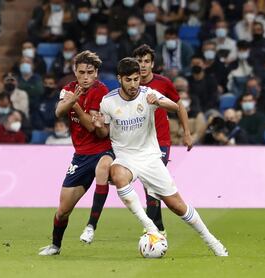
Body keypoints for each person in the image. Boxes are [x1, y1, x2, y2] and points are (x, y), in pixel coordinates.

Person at [92, 57, 228, 256]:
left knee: (177, 206)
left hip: (149, 157)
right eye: (128, 80)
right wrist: (98, 127)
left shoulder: (148, 94)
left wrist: (159, 102)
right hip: (125, 157)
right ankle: (151, 227)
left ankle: (212, 241)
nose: (133, 84)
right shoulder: (108, 101)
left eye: (136, 79)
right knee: (117, 173)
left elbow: (176, 107)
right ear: (119, 79)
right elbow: (103, 133)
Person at [83, 44, 192, 239]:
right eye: (139, 61)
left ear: (152, 64)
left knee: (152, 188)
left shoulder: (162, 83)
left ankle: (154, 230)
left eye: (146, 61)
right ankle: (156, 227)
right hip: (131, 146)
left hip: (160, 141)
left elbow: (178, 105)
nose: (143, 65)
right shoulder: (122, 93)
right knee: (140, 185)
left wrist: (187, 132)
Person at [39, 51, 115, 256]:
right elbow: (57, 112)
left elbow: (92, 128)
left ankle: (91, 226)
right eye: (81, 72)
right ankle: (55, 245)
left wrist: (75, 104)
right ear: (75, 71)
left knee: (103, 168)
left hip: (102, 150)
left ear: (96, 73)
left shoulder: (101, 91)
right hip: (80, 156)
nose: (86, 77)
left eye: (90, 72)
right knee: (63, 210)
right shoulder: (69, 89)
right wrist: (71, 99)